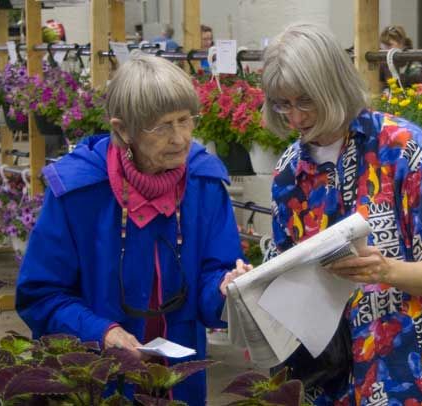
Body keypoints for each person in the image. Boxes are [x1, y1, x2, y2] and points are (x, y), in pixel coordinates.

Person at [15, 52, 251, 405]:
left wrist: (224, 288)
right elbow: (40, 295)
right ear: (123, 129)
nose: (180, 138)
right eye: (162, 126)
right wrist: (102, 332)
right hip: (99, 380)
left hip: (180, 380)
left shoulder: (204, 182)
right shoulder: (78, 192)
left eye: (186, 120)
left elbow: (212, 278)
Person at [262, 23, 422, 405]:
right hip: (327, 382)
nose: (295, 119)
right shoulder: (288, 172)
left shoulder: (404, 149)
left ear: (333, 87)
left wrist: (387, 272)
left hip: (410, 377)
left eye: (305, 101)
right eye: (283, 104)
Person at [380, 25, 422, 90]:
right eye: (384, 46)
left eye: (389, 45)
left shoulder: (418, 57)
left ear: (401, 43)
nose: (386, 49)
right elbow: (377, 90)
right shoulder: (383, 63)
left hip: (419, 99)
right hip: (393, 99)